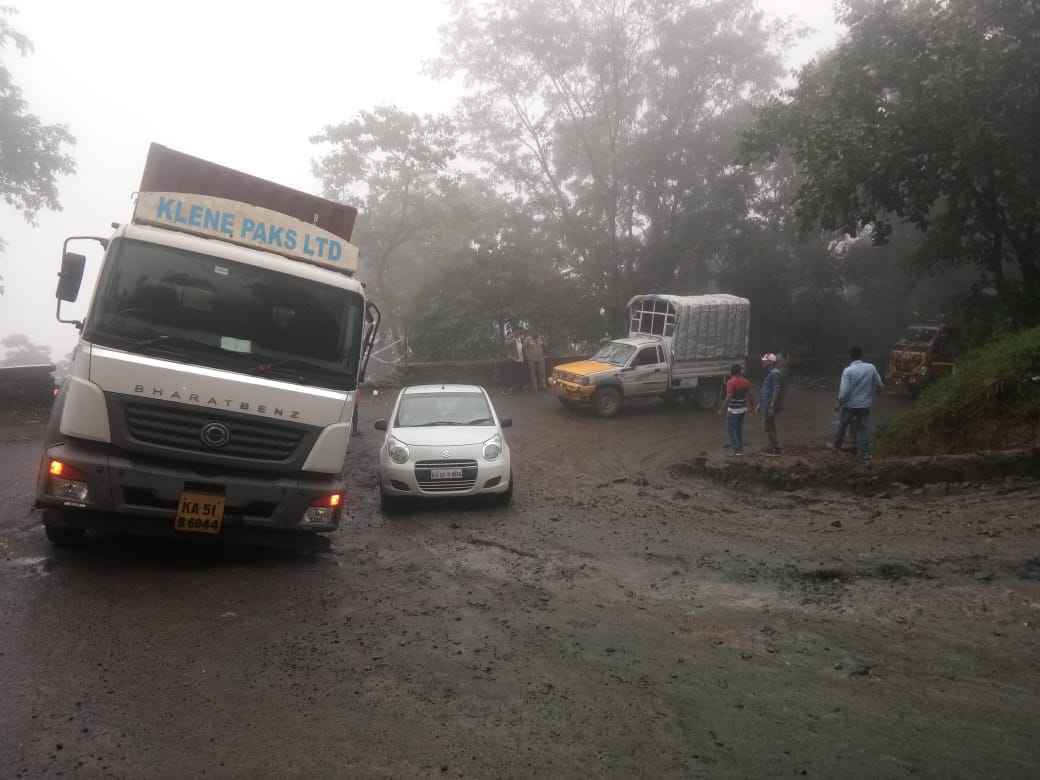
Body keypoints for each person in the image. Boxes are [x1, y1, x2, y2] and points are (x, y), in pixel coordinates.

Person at [833, 345, 884, 459]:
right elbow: (879, 384)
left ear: (849, 356)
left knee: (843, 425)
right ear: (861, 355)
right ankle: (864, 453)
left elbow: (844, 391)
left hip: (850, 406)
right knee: (863, 428)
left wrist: (838, 403)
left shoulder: (848, 371)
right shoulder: (871, 367)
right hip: (864, 406)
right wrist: (879, 391)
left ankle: (837, 447)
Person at [717, 364, 756, 456]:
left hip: (733, 410)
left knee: (730, 430)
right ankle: (740, 448)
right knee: (739, 429)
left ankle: (737, 450)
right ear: (740, 371)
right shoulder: (746, 381)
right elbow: (751, 395)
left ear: (731, 372)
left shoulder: (731, 382)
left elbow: (729, 396)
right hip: (743, 408)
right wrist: (752, 407)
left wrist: (721, 408)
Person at [756, 353, 783, 456]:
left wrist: (772, 405)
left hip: (769, 404)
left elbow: (776, 390)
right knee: (770, 425)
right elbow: (766, 390)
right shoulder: (770, 373)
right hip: (766, 402)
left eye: (765, 360)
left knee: (767, 426)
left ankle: (775, 448)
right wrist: (760, 404)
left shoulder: (774, 374)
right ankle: (772, 446)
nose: (763, 362)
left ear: (771, 362)